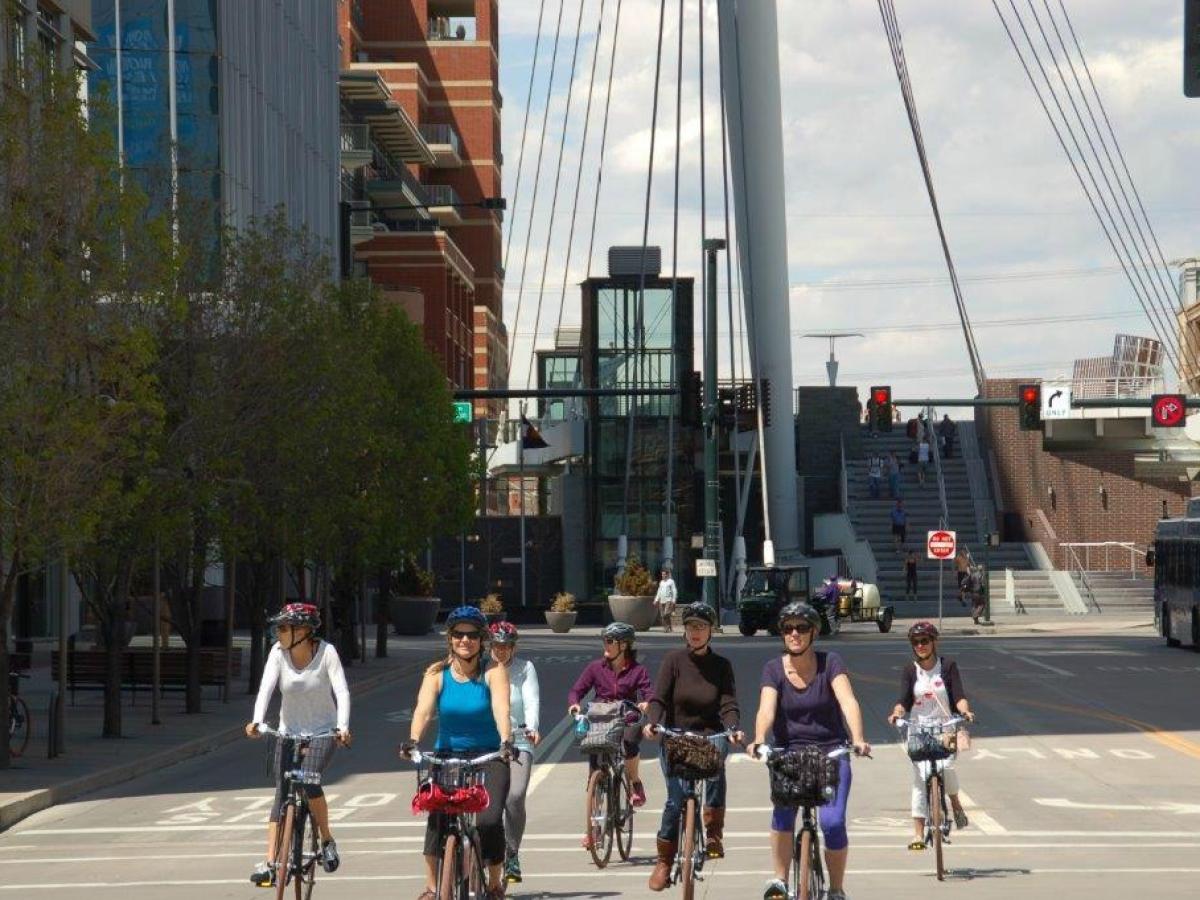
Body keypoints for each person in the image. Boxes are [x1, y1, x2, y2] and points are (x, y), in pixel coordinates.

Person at [749, 602, 871, 900]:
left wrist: (857, 737)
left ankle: (837, 889)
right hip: (788, 754)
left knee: (832, 822)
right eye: (788, 628)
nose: (794, 633)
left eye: (802, 628)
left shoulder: (830, 662)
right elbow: (766, 709)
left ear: (814, 633)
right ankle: (779, 879)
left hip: (830, 753)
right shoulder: (773, 669)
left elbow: (848, 701)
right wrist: (758, 738)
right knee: (782, 814)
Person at [403, 606, 513, 900]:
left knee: (489, 821)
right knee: (436, 818)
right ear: (450, 639)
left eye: (473, 635)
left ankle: (493, 882)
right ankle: (431, 886)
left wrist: (505, 741)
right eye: (459, 635)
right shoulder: (436, 675)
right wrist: (413, 741)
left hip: (489, 755)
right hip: (447, 755)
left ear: (482, 640)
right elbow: (423, 711)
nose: (466, 640)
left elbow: (502, 707)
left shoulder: (493, 671)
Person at [246, 603, 351, 887]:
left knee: (309, 781)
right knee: (282, 794)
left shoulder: (327, 652)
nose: (278, 633)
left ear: (303, 632)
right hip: (287, 732)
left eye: (283, 628)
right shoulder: (277, 653)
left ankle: (327, 839)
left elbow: (341, 690)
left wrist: (342, 727)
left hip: (323, 732)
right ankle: (270, 862)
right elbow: (266, 688)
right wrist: (256, 721)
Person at [644, 603, 743, 891]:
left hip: (709, 735)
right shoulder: (673, 660)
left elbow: (728, 703)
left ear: (711, 630)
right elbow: (658, 699)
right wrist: (652, 722)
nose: (695, 632)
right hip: (675, 736)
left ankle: (713, 833)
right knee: (675, 800)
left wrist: (733, 727)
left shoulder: (721, 666)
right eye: (690, 627)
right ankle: (664, 861)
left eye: (701, 627)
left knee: (716, 764)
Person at [887, 622, 975, 850]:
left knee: (946, 768)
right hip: (918, 728)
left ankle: (955, 802)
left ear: (934, 641)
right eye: (916, 642)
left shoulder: (947, 667)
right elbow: (903, 700)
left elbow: (958, 695)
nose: (920, 646)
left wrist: (965, 711)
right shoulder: (910, 670)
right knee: (920, 779)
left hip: (945, 728)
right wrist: (896, 713)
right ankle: (918, 834)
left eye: (925, 641)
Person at [567, 620, 654, 839]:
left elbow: (648, 692)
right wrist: (575, 704)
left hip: (626, 717)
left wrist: (646, 703)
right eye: (604, 640)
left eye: (610, 641)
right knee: (594, 762)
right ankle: (594, 828)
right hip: (601, 718)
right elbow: (577, 690)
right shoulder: (595, 668)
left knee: (630, 740)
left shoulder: (637, 670)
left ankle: (635, 783)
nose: (605, 645)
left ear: (623, 646)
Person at [489, 621, 540, 885]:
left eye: (506, 647)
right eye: (496, 646)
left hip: (519, 740)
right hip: (489, 742)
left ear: (513, 647)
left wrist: (532, 727)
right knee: (485, 801)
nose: (501, 651)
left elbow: (531, 701)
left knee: (514, 797)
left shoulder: (525, 669)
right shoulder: (481, 669)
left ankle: (512, 852)